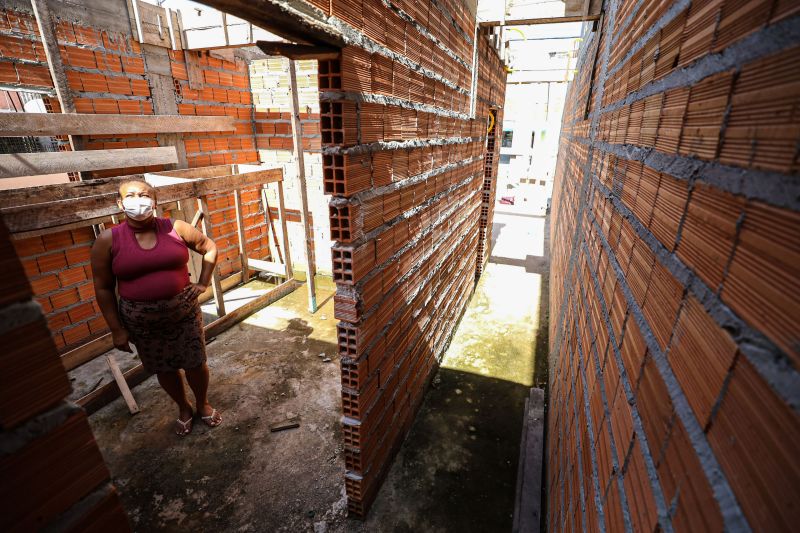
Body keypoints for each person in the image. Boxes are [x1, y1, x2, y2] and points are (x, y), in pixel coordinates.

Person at [91, 180, 223, 436]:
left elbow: (209, 248)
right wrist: (116, 329)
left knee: (195, 363)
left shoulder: (175, 228)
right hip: (141, 322)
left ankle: (202, 403)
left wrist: (203, 282)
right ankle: (183, 408)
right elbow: (103, 288)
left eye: (144, 195)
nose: (137, 200)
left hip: (183, 314)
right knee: (164, 367)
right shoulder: (107, 240)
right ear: (120, 204)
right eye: (130, 196)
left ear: (155, 201)